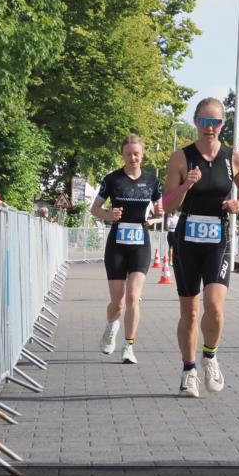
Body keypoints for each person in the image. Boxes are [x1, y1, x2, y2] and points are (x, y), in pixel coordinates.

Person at [164, 97, 239, 398]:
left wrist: (237, 204)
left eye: (214, 122)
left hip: (219, 240)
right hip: (187, 238)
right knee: (189, 312)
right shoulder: (180, 158)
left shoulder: (234, 159)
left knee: (214, 306)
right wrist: (186, 185)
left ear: (222, 125)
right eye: (203, 121)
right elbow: (167, 205)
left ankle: (210, 356)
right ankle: (189, 370)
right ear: (195, 122)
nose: (209, 128)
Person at [90, 135, 163, 364]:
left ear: (142, 155)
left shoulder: (152, 181)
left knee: (133, 296)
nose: (133, 157)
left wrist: (159, 214)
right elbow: (95, 209)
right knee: (118, 302)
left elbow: (160, 210)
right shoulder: (112, 179)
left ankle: (128, 346)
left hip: (140, 241)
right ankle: (111, 327)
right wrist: (108, 215)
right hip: (117, 244)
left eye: (136, 154)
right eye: (128, 154)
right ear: (123, 155)